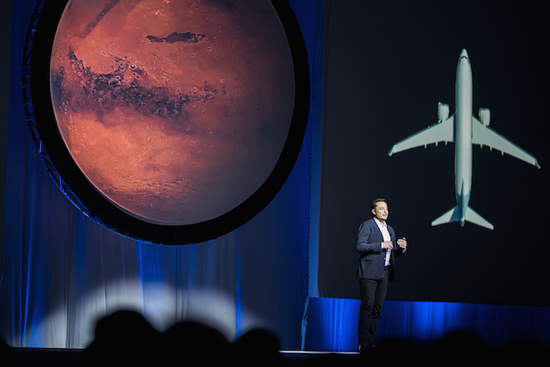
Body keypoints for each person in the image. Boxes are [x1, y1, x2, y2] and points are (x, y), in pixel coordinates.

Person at [355, 198, 407, 353]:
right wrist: (380, 245)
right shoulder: (367, 225)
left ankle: (371, 342)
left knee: (377, 308)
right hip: (369, 272)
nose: (385, 211)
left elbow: (390, 254)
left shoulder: (390, 230)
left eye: (387, 209)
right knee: (368, 307)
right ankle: (363, 343)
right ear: (374, 211)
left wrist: (401, 249)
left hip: (384, 272)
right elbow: (360, 246)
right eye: (382, 209)